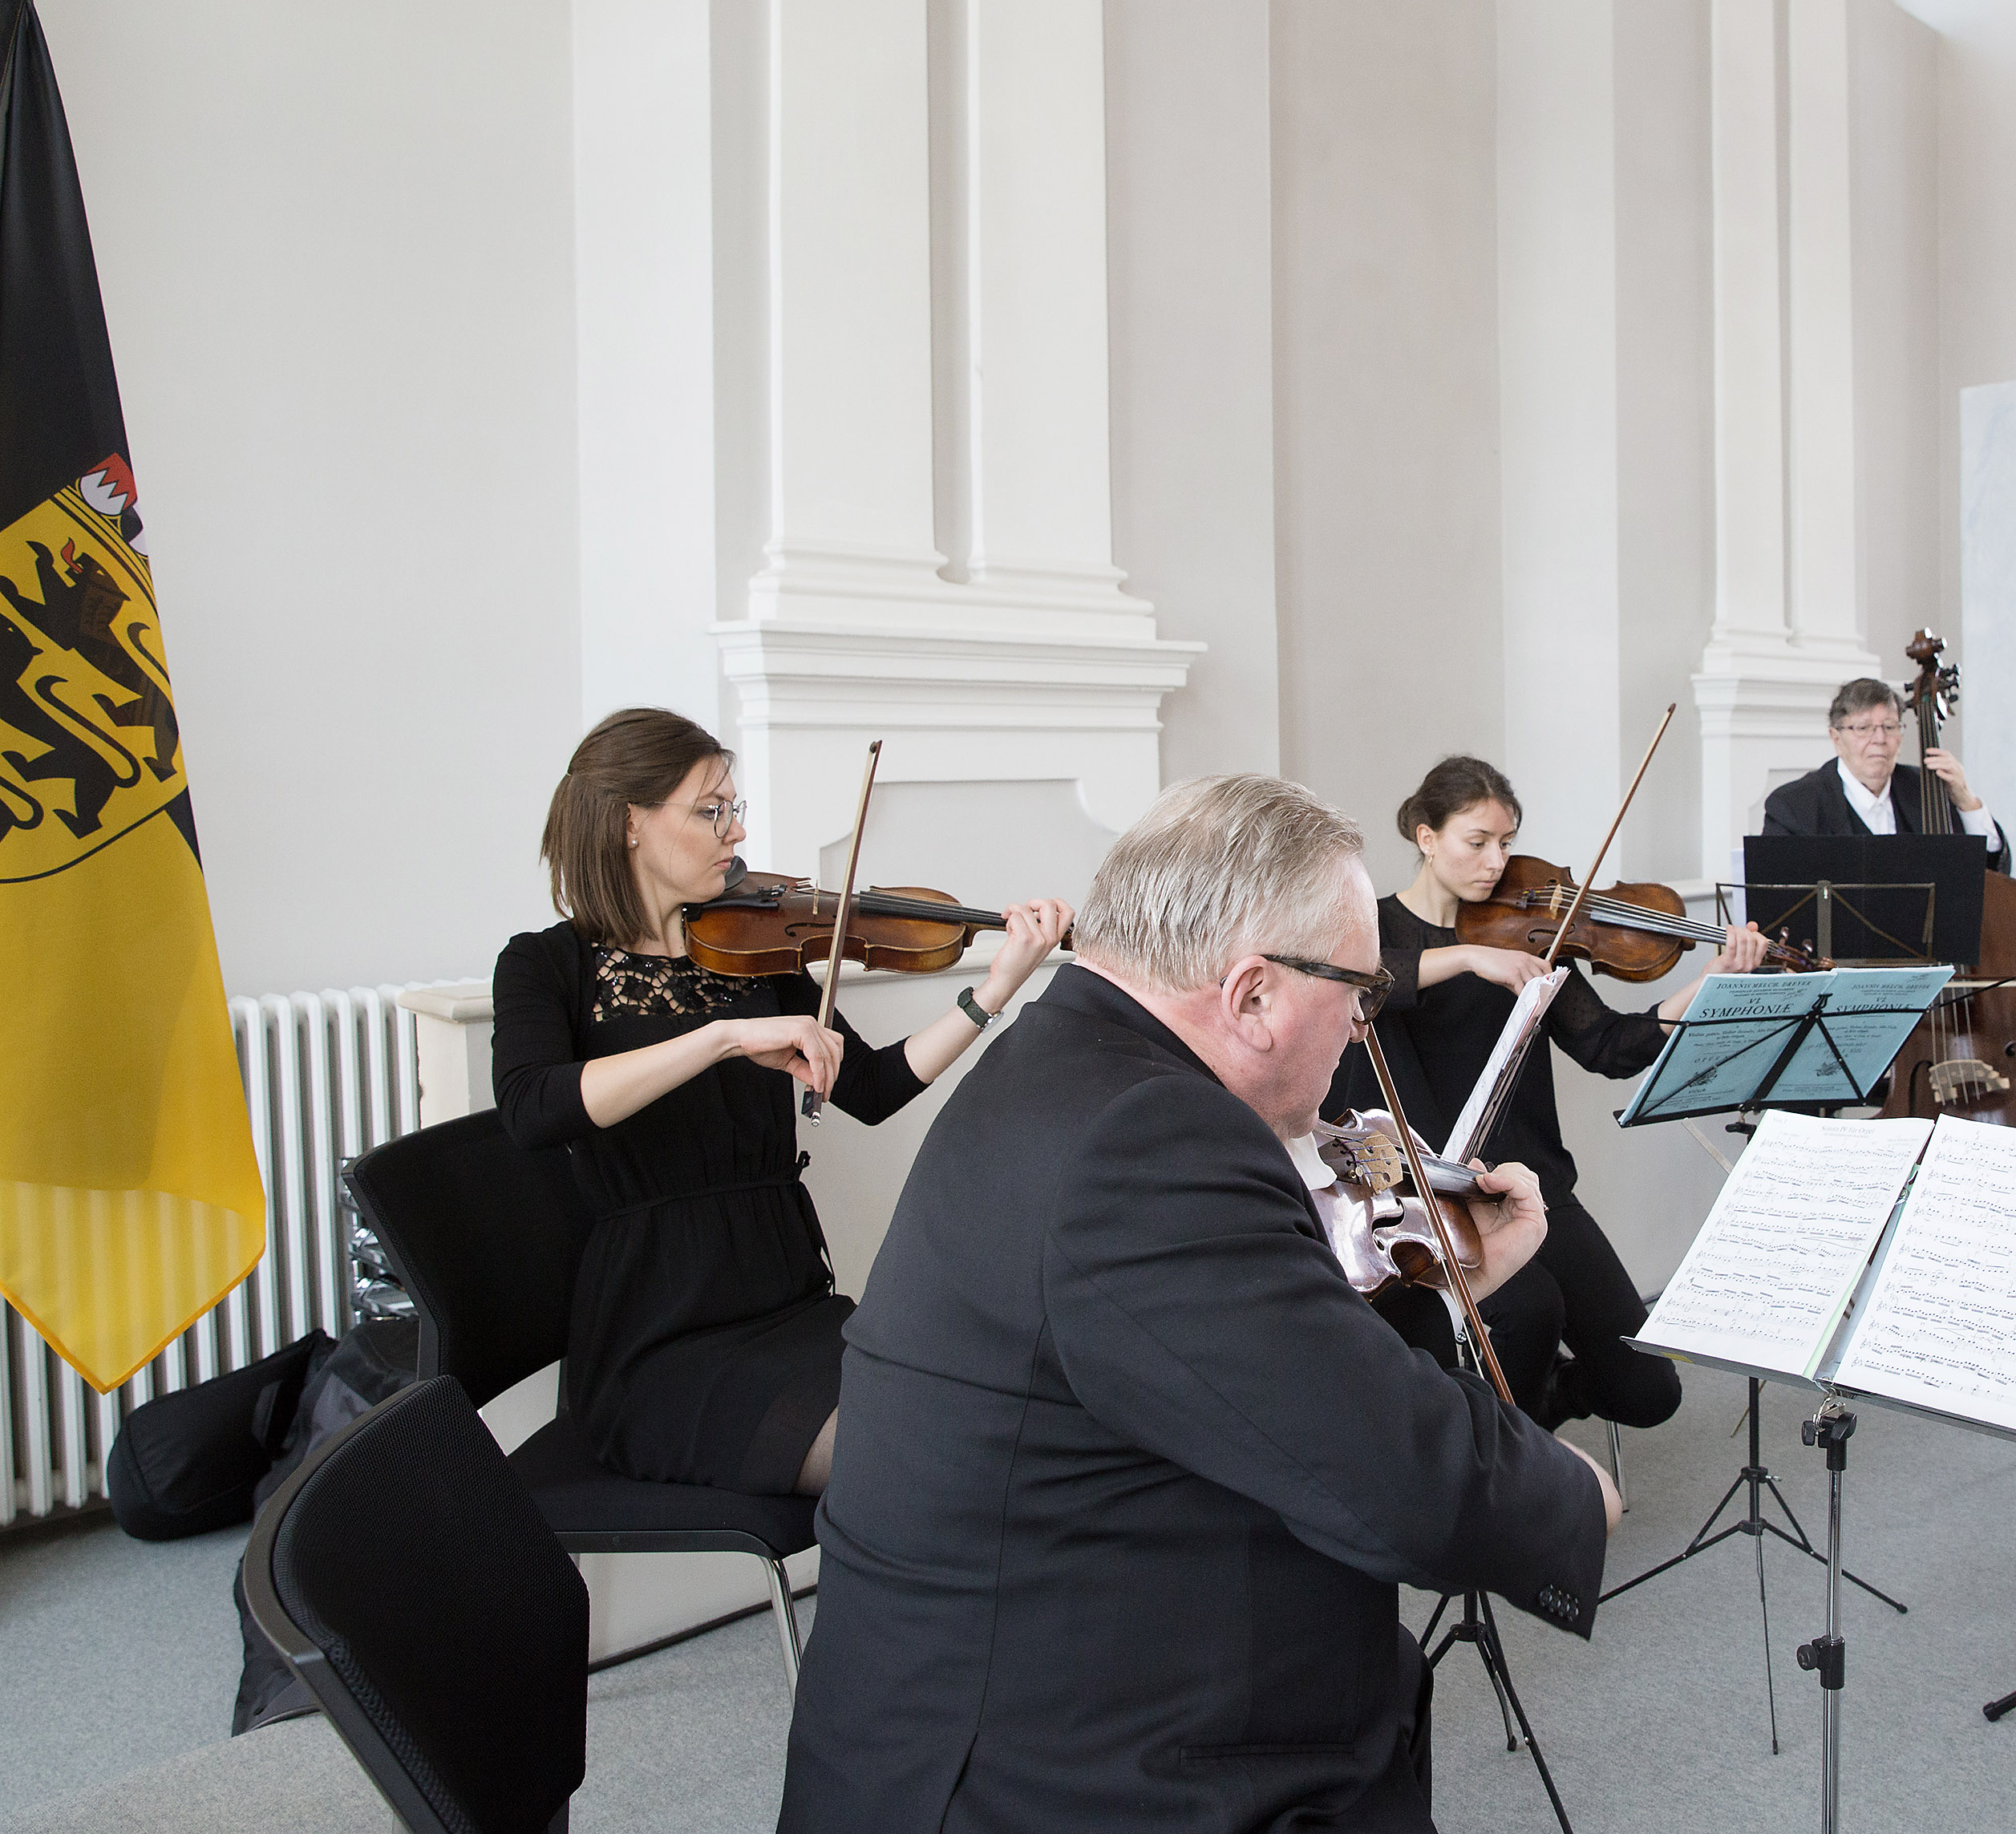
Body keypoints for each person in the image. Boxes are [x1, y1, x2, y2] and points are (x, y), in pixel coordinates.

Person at [778, 773, 1617, 1833]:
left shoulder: (1072, 1059)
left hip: (1065, 1650)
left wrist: (1441, 1279)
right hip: (1044, 1769)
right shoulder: (1146, 1144)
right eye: (1357, 992)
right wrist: (1573, 1495)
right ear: (1253, 994)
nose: (1364, 1028)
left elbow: (1247, 1361)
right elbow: (1405, 1485)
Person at [491, 708, 1070, 1497]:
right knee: (901, 1463)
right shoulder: (547, 965)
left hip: (784, 1296)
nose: (733, 834)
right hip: (658, 1334)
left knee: (977, 1417)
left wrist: (993, 991)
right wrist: (722, 1038)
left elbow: (870, 1088)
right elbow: (534, 1108)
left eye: (735, 809)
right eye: (710, 810)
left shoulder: (752, 943)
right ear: (630, 823)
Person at [1327, 755, 1768, 1431]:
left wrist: (1710, 981)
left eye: (1505, 842)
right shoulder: (1375, 928)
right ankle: (1516, 1465)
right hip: (1430, 1196)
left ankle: (1540, 1411)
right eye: (1477, 841)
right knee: (1528, 1314)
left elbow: (1611, 1048)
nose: (1497, 860)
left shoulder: (1532, 939)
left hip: (1535, 1184)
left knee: (1648, 1392)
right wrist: (1470, 958)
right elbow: (1359, 979)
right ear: (1425, 837)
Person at [1758, 674, 2010, 872]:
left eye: (1889, 727)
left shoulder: (1927, 791)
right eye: (1863, 728)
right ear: (1836, 738)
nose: (1879, 739)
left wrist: (1966, 801)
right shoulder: (1793, 806)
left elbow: (1988, 873)